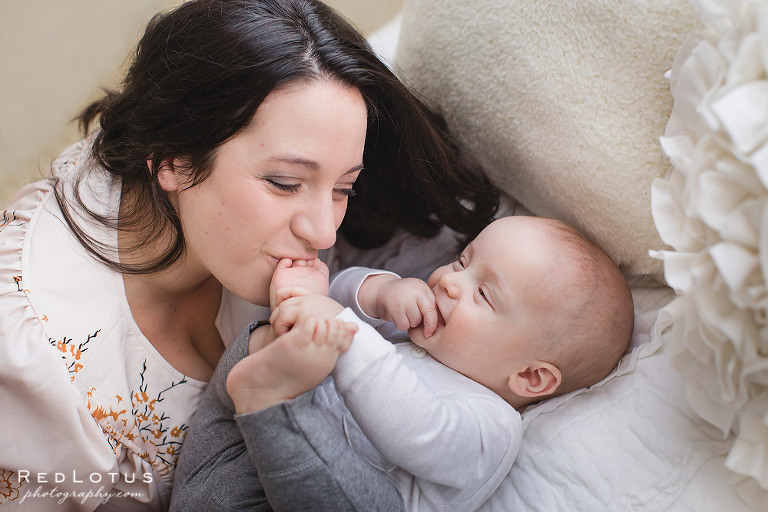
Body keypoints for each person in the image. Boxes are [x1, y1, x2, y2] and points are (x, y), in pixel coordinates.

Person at [0, 0, 499, 510]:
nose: (324, 232)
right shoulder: (30, 358)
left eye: (345, 187)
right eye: (284, 184)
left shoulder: (241, 218)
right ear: (172, 160)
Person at [173, 215, 635, 512]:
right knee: (264, 341)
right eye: (462, 261)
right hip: (227, 465)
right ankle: (269, 391)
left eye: (483, 294)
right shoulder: (411, 333)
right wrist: (378, 292)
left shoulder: (491, 428)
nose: (451, 283)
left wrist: (346, 334)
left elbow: (419, 429)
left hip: (296, 498)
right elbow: (337, 301)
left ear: (531, 376)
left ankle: (272, 398)